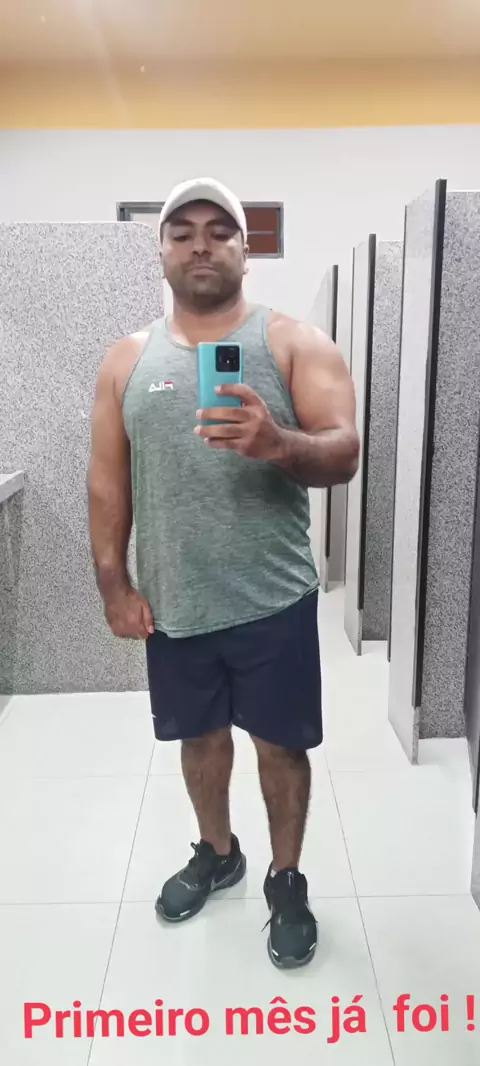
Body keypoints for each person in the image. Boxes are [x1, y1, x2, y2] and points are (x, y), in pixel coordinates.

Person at [87, 177, 359, 970]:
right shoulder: (127, 360)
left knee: (280, 746)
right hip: (174, 601)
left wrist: (280, 444)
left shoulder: (295, 343)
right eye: (182, 232)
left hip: (273, 597)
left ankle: (285, 877)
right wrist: (113, 584)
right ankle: (217, 851)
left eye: (219, 230)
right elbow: (107, 481)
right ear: (162, 250)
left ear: (246, 249)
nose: (200, 244)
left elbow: (343, 450)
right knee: (198, 738)